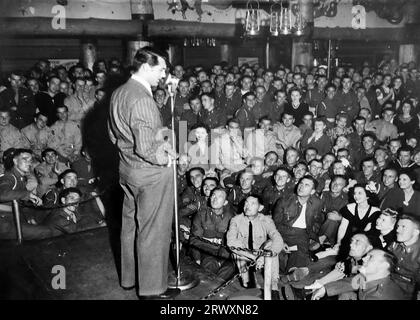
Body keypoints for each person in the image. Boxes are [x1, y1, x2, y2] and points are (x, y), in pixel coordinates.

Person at [108, 48, 179, 299]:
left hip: (128, 170)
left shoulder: (119, 92)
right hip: (150, 175)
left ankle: (130, 279)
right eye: (161, 70)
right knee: (153, 231)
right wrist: (167, 158)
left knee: (130, 225)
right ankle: (151, 289)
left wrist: (159, 145)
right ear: (147, 67)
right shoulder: (142, 98)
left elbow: (114, 135)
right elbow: (147, 147)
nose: (164, 75)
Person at [227, 195, 284, 299]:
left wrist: (264, 256)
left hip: (260, 252)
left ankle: (274, 286)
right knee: (236, 250)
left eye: (252, 203)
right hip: (244, 254)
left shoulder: (266, 220)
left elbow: (278, 240)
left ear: (260, 208)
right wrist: (255, 258)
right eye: (246, 203)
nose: (247, 206)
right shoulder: (236, 220)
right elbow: (231, 242)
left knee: (272, 244)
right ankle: (249, 283)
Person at [273, 176, 324, 272]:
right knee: (281, 253)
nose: (301, 187)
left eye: (306, 185)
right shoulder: (284, 201)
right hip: (283, 231)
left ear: (312, 191)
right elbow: (275, 224)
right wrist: (281, 240)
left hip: (302, 233)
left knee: (300, 250)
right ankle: (290, 269)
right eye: (301, 183)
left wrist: (311, 234)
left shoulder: (317, 203)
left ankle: (294, 271)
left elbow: (318, 221)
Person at [312, 249, 405, 300]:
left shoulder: (380, 295)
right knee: (346, 294)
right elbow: (352, 282)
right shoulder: (375, 278)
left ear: (384, 266)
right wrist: (325, 289)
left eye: (370, 257)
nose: (364, 259)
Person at [0, 148, 51, 240]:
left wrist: (29, 217)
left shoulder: (21, 179)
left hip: (14, 217)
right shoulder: (9, 177)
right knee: (46, 232)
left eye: (30, 160)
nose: (29, 163)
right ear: (15, 161)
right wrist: (28, 195)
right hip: (4, 222)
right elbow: (2, 194)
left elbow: (22, 204)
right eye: (25, 159)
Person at [189, 188, 235, 281]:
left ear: (225, 202)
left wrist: (221, 260)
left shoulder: (231, 217)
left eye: (219, 197)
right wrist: (197, 259)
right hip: (205, 251)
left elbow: (230, 242)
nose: (215, 198)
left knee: (230, 268)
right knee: (210, 263)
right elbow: (195, 240)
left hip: (224, 253)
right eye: (213, 195)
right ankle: (209, 289)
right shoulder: (201, 215)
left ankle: (215, 290)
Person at [388, 214, 420, 300]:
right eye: (398, 226)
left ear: (416, 232)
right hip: (387, 283)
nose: (398, 229)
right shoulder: (394, 245)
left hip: (406, 292)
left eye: (403, 227)